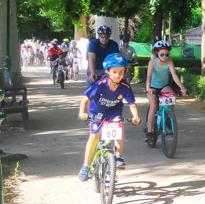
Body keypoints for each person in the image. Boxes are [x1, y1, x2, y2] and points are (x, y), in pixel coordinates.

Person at [77, 53, 141, 181]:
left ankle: (117, 156)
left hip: (114, 111)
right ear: (108, 72)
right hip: (97, 111)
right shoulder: (100, 84)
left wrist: (136, 116)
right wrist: (82, 112)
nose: (118, 75)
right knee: (94, 136)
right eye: (115, 72)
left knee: (119, 126)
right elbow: (85, 99)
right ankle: (85, 166)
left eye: (121, 72)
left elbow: (132, 104)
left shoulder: (125, 87)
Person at [144, 40, 187, 145]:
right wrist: (148, 88)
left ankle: (168, 115)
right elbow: (148, 77)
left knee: (171, 96)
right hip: (153, 86)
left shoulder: (170, 61)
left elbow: (174, 76)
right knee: (153, 105)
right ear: (156, 53)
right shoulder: (152, 62)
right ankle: (150, 131)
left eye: (166, 54)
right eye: (162, 54)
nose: (164, 56)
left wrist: (182, 88)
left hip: (164, 86)